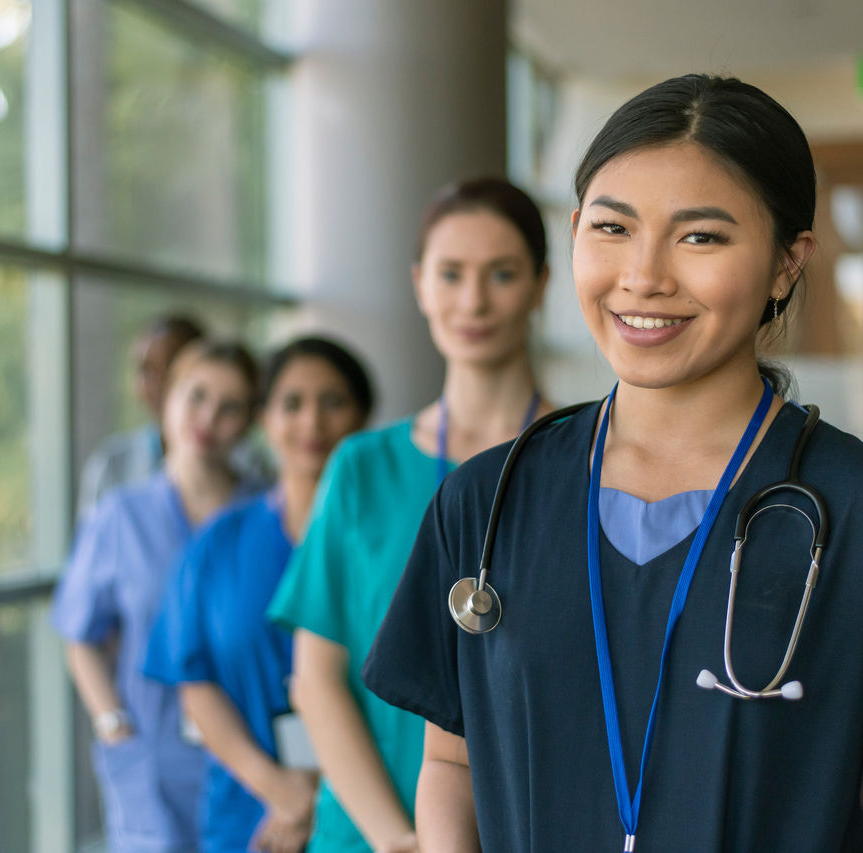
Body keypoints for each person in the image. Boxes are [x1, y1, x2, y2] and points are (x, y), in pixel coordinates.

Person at [361, 74, 863, 853]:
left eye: (701, 237)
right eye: (612, 228)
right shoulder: (487, 497)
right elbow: (452, 759)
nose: (644, 276)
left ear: (788, 264)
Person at [266, 178, 555, 853]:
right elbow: (317, 678)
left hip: (524, 826)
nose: (473, 300)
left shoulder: (585, 463)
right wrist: (396, 837)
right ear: (420, 284)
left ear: (542, 285)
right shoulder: (361, 468)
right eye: (450, 274)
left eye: (502, 274)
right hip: (368, 832)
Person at [142, 336, 376, 853]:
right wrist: (282, 791)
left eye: (333, 402)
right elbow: (193, 681)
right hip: (249, 818)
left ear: (363, 419)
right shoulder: (218, 544)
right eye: (291, 403)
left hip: (371, 812)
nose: (312, 423)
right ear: (264, 418)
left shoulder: (393, 546)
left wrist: (322, 799)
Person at [52, 339, 260, 853]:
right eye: (196, 396)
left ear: (251, 421)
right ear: (166, 398)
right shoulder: (120, 516)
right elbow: (79, 635)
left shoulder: (268, 514)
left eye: (230, 407)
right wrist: (113, 725)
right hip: (150, 754)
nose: (208, 418)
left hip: (252, 758)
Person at [78, 314, 205, 519]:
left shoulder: (248, 469)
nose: (157, 384)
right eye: (146, 370)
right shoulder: (113, 466)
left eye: (170, 368)